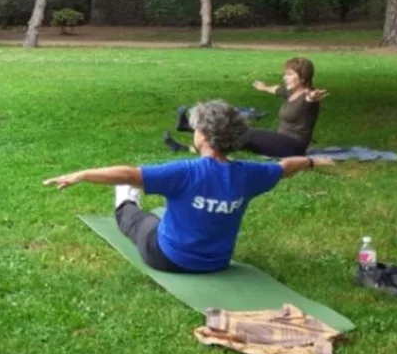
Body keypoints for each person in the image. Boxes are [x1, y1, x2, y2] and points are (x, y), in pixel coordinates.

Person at [46, 101, 332, 273]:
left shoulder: (186, 171)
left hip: (168, 258)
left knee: (133, 218)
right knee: (153, 203)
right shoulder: (251, 174)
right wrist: (311, 161)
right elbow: (285, 168)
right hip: (217, 262)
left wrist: (81, 174)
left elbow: (130, 173)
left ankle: (125, 202)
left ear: (204, 137)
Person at [164, 57, 328, 158]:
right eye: (286, 73)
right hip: (281, 140)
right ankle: (186, 145)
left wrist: (312, 97)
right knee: (238, 132)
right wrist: (263, 87)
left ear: (303, 77)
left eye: (290, 74)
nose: (285, 77)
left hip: (293, 147)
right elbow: (276, 89)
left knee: (245, 134)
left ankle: (192, 129)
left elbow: (310, 98)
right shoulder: (290, 92)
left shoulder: (307, 95)